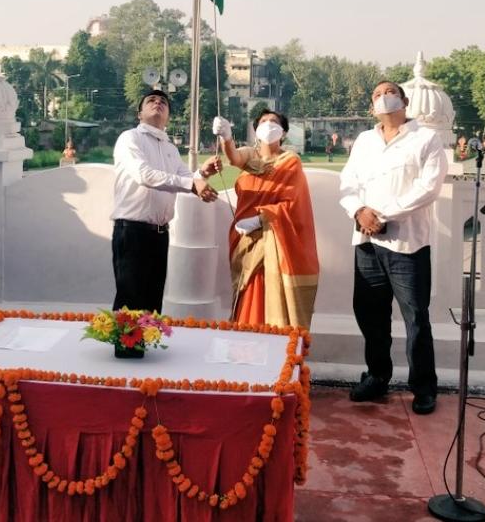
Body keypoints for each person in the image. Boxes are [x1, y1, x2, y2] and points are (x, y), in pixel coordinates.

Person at [339, 81, 446, 413]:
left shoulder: (426, 138)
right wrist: (360, 211)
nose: (382, 97)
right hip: (367, 242)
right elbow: (348, 182)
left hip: (407, 244)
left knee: (415, 317)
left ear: (404, 100)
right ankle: (377, 375)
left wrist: (383, 214)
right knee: (370, 315)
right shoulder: (365, 141)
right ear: (372, 107)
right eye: (375, 95)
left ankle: (424, 386)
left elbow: (428, 188)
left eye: (389, 92)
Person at [110, 90, 221, 329]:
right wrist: (193, 183)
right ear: (139, 113)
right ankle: (126, 358)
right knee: (131, 301)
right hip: (132, 232)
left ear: (168, 116)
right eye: (151, 100)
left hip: (160, 234)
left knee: (152, 301)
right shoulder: (130, 138)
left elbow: (183, 177)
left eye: (163, 102)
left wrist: (202, 173)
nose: (158, 103)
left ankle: (145, 356)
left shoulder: (169, 148)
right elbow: (145, 175)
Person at [213, 110, 319, 328]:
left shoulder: (290, 162)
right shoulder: (249, 157)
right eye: (263, 121)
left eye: (274, 122)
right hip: (245, 238)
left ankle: (278, 348)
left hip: (275, 239)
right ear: (255, 130)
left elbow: (293, 204)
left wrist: (261, 219)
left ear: (284, 132)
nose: (268, 124)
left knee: (267, 286)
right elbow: (233, 157)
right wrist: (226, 137)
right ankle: (245, 339)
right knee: (248, 287)